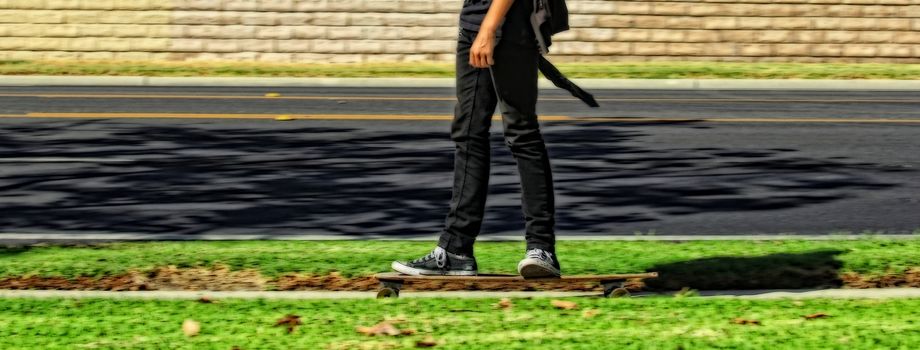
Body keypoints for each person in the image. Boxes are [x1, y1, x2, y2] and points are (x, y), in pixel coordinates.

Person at [391, 0, 561, 278]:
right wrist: (478, 27)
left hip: (508, 27)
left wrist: (489, 27)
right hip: (473, 24)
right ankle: (456, 250)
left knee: (522, 134)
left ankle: (542, 248)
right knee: (468, 134)